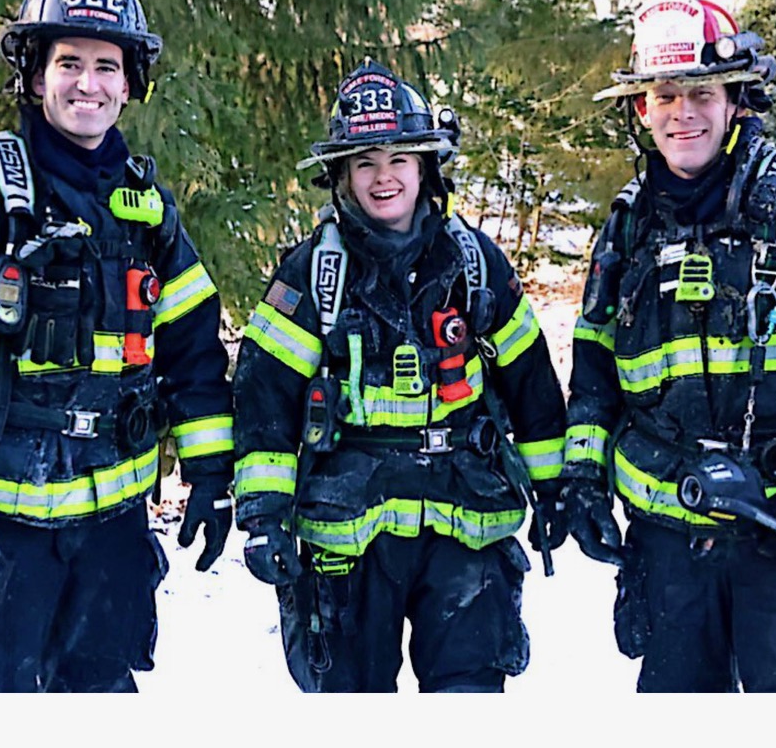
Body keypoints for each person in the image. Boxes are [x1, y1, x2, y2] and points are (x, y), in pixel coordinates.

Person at [0, 0, 234, 692]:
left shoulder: (148, 212)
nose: (88, 83)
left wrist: (211, 472)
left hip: (111, 539)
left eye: (107, 66)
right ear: (35, 75)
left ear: (129, 83)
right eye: (69, 62)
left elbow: (195, 351)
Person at [564, 0, 776, 692]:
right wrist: (583, 481)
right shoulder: (629, 227)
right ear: (641, 109)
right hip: (669, 545)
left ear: (736, 101)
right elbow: (595, 371)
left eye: (702, 93)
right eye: (665, 95)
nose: (682, 113)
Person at [231, 59, 572, 692]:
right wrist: (264, 515)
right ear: (342, 176)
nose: (383, 177)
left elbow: (532, 385)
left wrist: (555, 489)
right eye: (364, 162)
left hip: (466, 521)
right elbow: (263, 402)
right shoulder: (311, 276)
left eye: (399, 159)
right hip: (349, 534)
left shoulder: (474, 265)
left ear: (426, 168)